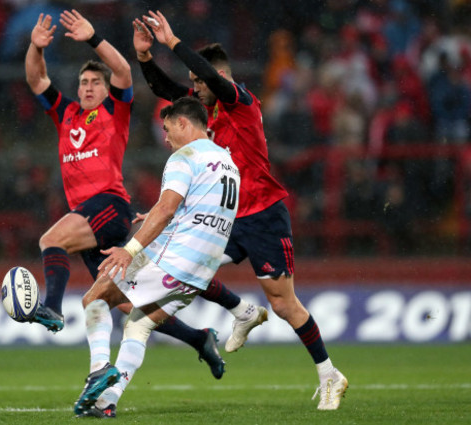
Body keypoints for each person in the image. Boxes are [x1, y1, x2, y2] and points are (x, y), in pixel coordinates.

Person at [133, 11, 348, 410]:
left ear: (220, 79)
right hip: (227, 216)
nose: (195, 89)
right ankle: (242, 310)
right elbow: (168, 90)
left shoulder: (241, 102)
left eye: (200, 82)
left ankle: (329, 373)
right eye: (194, 84)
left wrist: (172, 41)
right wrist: (146, 58)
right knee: (189, 271)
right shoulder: (209, 112)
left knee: (283, 303)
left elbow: (209, 79)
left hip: (264, 213)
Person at [24, 10, 231, 378]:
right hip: (87, 218)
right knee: (127, 304)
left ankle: (53, 308)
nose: (87, 87)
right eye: (83, 82)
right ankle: (200, 339)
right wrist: (35, 48)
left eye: (94, 82)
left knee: (50, 239)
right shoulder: (66, 114)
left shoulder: (114, 110)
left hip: (108, 204)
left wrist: (93, 38)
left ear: (106, 89)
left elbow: (121, 70)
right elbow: (37, 79)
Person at [74, 97, 241, 418]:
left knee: (95, 296)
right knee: (138, 325)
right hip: (201, 271)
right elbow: (199, 206)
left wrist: (130, 250)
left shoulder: (184, 156)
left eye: (167, 129)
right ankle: (106, 400)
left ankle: (98, 368)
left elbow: (166, 209)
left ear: (183, 123)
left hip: (173, 258)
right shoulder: (228, 162)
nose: (165, 137)